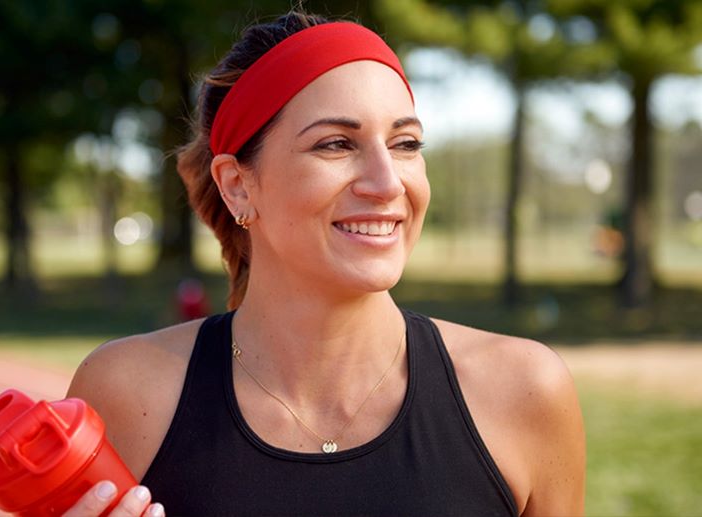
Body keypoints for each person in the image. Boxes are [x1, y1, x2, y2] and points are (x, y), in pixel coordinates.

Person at [63, 10, 585, 517]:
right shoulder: (126, 392)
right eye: (336, 144)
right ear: (238, 186)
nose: (386, 183)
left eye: (406, 144)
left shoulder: (525, 392)